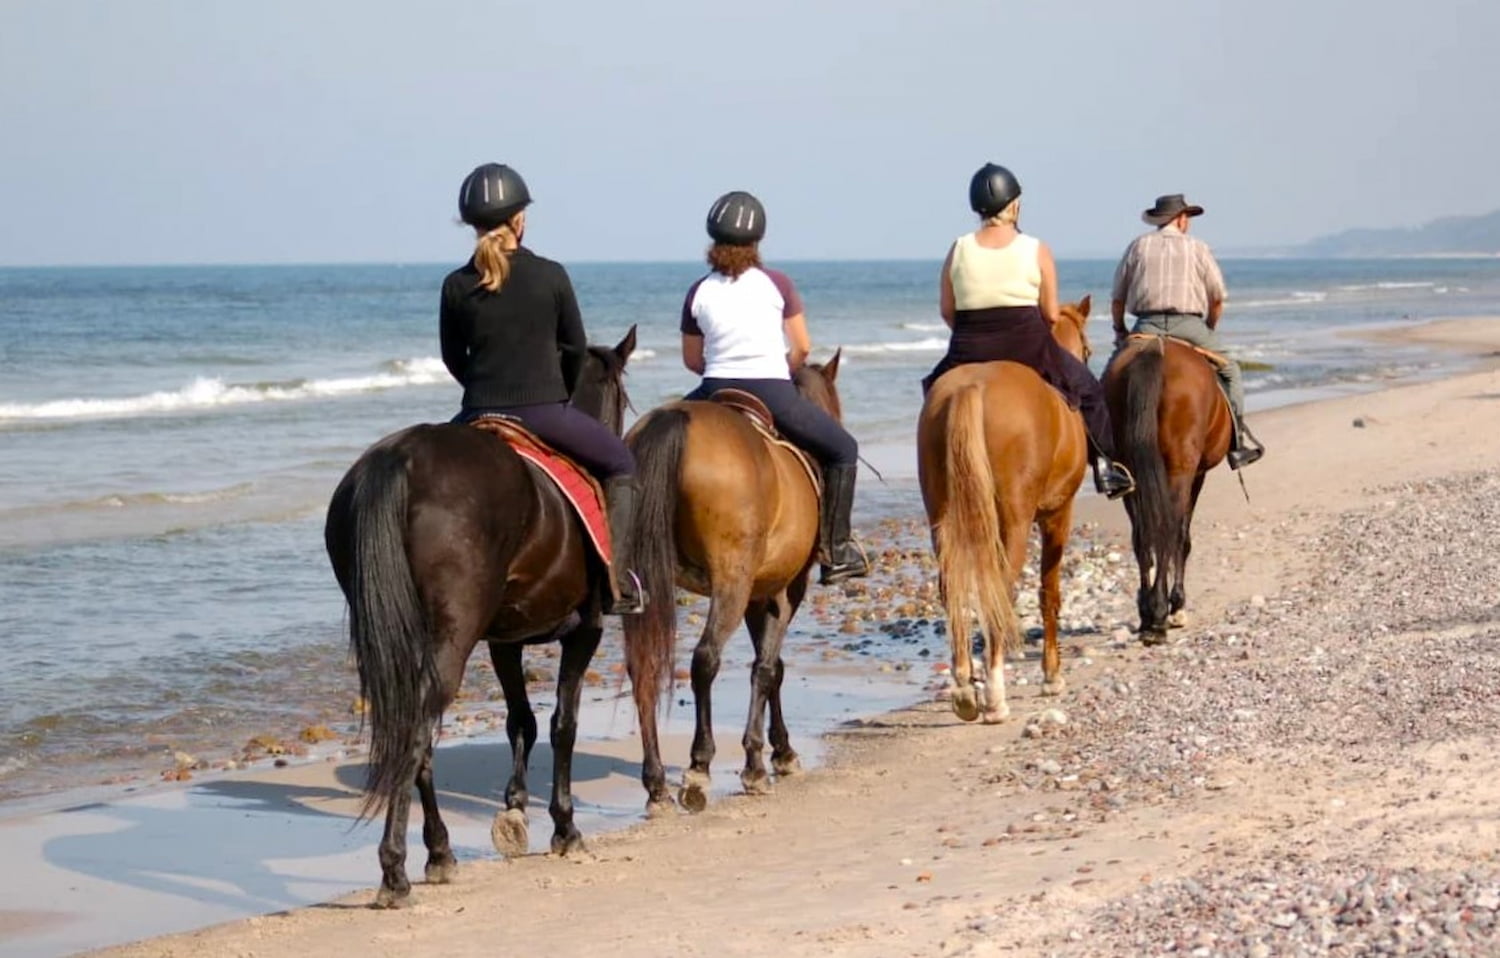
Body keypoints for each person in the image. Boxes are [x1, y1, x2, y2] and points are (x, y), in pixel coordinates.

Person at [439, 162, 644, 614]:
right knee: (621, 461)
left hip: (475, 413)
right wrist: (561, 398)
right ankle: (619, 584)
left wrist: (481, 393)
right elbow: (573, 348)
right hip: (542, 411)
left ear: (471, 225)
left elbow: (453, 358)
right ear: (519, 219)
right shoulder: (551, 275)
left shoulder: (456, 284)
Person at [679, 190, 869, 585]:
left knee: (652, 442)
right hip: (772, 390)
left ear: (713, 241)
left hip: (712, 390)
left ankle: (631, 558)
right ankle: (836, 551)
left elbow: (692, 361)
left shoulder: (698, 290)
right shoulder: (777, 284)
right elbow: (801, 346)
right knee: (843, 450)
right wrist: (783, 367)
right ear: (757, 242)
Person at [924, 163, 1136, 499]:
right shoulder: (1035, 248)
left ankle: (936, 467)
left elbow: (947, 311)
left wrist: (974, 332)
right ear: (1014, 205)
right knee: (1090, 391)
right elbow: (1051, 314)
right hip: (1027, 345)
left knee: (933, 394)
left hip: (968, 346)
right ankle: (1108, 468)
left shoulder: (958, 248)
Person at [1110, 194, 1264, 469]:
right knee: (1231, 372)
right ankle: (1238, 442)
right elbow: (1217, 298)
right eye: (1187, 218)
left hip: (1145, 326)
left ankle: (1104, 451)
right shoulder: (1198, 248)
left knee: (1110, 376)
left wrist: (1120, 329)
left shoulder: (1138, 246)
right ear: (1180, 219)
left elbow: (1117, 299)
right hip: (1189, 325)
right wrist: (1208, 329)